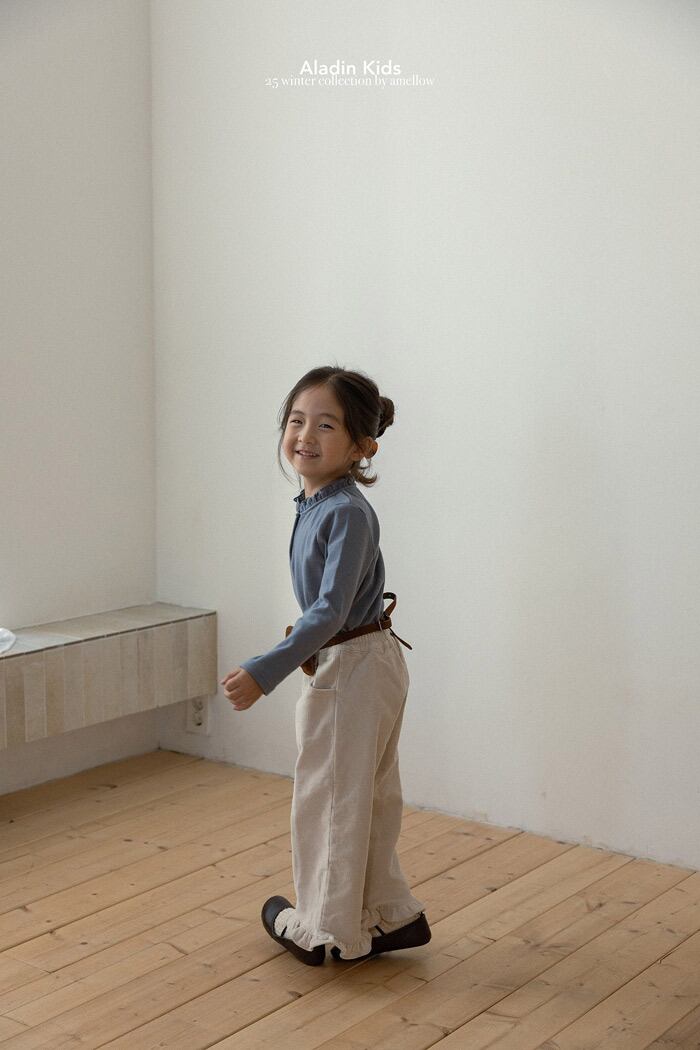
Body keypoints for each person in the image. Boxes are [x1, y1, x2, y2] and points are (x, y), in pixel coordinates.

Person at [220, 365, 431, 964]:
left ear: (362, 446)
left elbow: (330, 611)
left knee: (330, 798)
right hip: (365, 661)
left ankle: (324, 930)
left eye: (326, 425)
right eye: (296, 420)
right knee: (365, 795)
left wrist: (265, 670)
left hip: (354, 666)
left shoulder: (345, 513)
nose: (304, 435)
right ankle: (387, 914)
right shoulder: (317, 503)